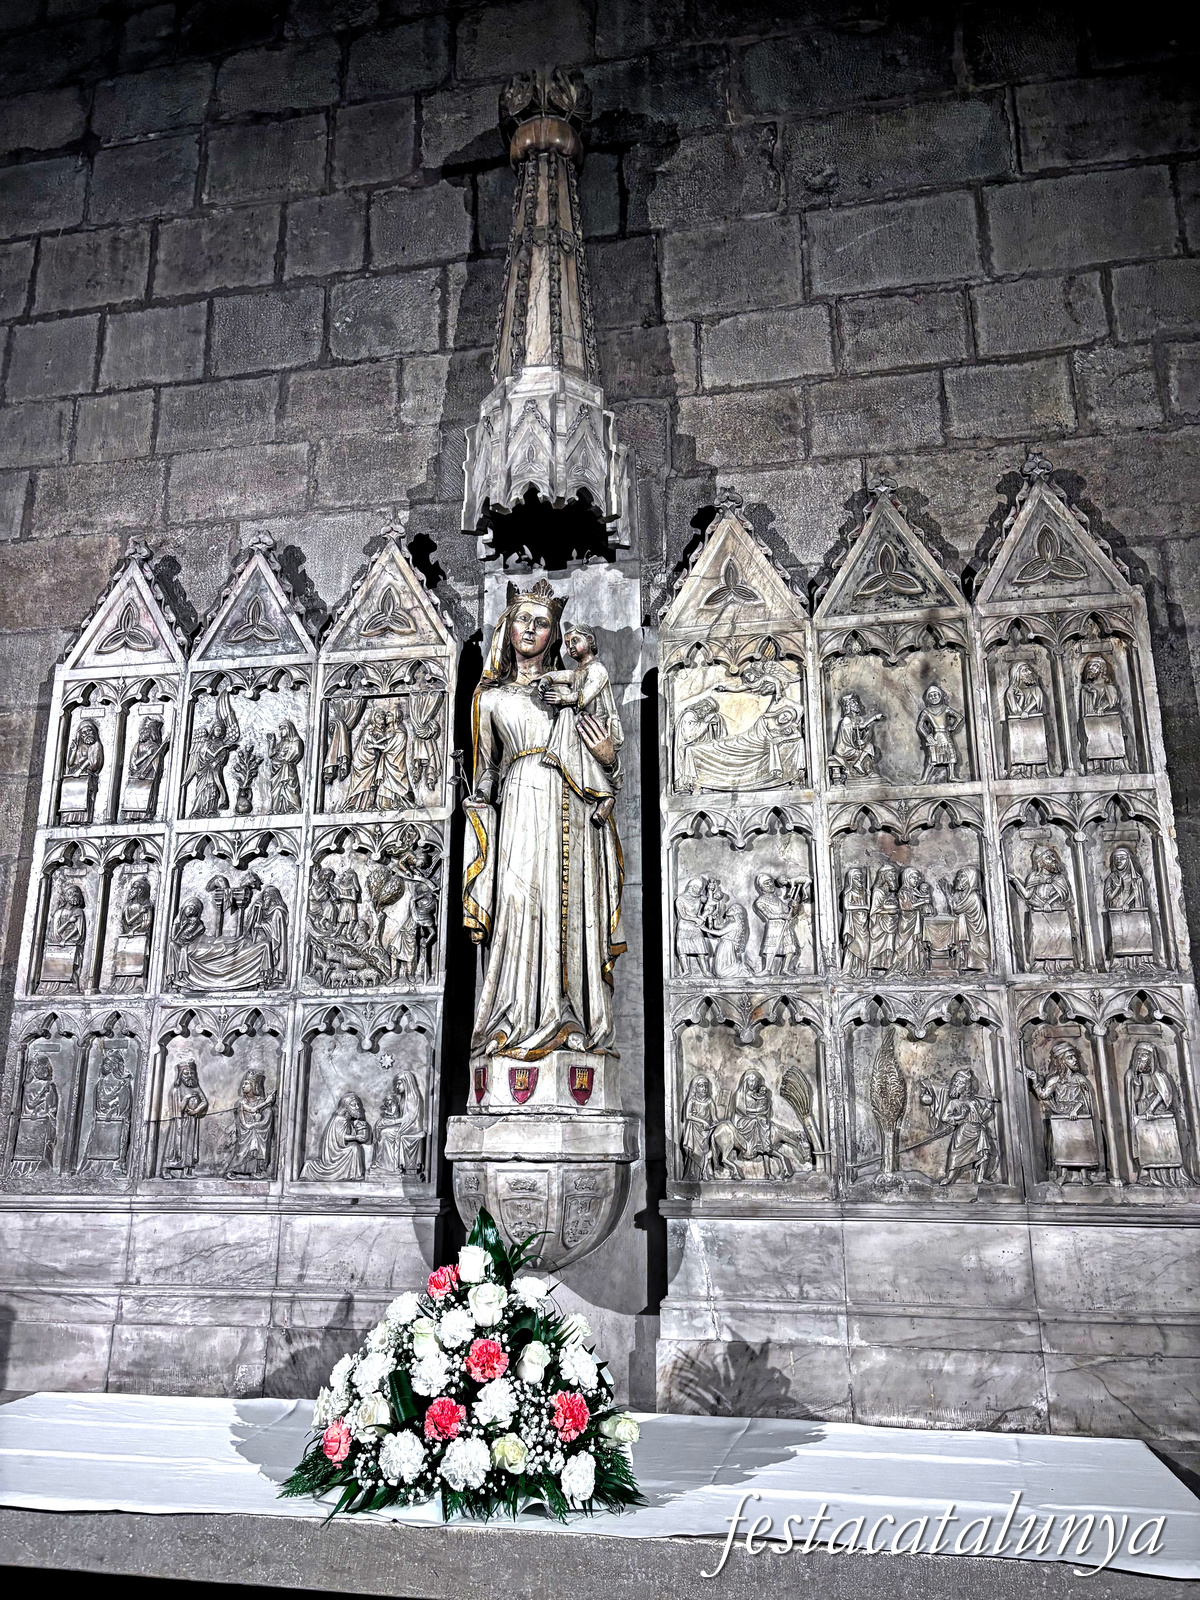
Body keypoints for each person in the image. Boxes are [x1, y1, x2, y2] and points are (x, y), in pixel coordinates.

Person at [463, 579, 624, 1064]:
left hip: (572, 807)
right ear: (507, 627)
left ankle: (569, 1017)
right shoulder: (488, 696)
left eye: (542, 622)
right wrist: (478, 812)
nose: (530, 629)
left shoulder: (573, 687)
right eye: (522, 620)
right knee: (517, 906)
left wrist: (607, 754)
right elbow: (485, 771)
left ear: (554, 634)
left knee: (573, 909)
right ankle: (509, 1020)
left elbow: (609, 748)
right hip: (516, 812)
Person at [538, 622, 623, 826]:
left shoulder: (598, 669)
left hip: (599, 725)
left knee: (567, 712)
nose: (571, 647)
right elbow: (559, 675)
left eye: (575, 641)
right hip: (584, 723)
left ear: (590, 641)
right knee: (581, 751)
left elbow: (585, 696)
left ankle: (606, 796)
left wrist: (561, 699)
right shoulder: (578, 672)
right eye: (567, 644)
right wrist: (545, 680)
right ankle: (603, 795)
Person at [919, 1068, 999, 1185]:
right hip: (963, 1132)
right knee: (956, 1156)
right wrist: (960, 1117)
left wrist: (988, 1106)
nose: (964, 1087)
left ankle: (980, 1177)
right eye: (960, 1084)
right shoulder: (954, 1103)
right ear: (956, 1087)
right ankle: (950, 1177)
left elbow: (982, 1118)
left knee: (984, 1154)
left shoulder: (974, 1102)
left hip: (978, 1131)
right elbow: (945, 1118)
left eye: (965, 1085)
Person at [185, 692, 240, 817]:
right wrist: (208, 759)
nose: (219, 731)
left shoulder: (222, 743)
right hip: (205, 770)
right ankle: (198, 811)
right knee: (203, 789)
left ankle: (211, 810)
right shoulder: (206, 741)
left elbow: (223, 756)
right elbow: (201, 754)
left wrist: (220, 758)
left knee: (213, 790)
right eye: (217, 729)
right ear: (213, 730)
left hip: (215, 770)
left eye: (221, 730)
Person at [80, 1049, 133, 1175]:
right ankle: (94, 1167)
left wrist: (114, 1111)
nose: (103, 1067)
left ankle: (115, 1166)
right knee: (98, 1143)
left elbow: (124, 1105)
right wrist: (101, 1113)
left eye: (106, 1064)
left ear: (113, 1066)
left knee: (114, 1143)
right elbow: (96, 1103)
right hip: (101, 1119)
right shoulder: (101, 1083)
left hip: (116, 1121)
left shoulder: (122, 1084)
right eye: (103, 1064)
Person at [304, 1092, 372, 1181]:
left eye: (358, 1105)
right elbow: (341, 1137)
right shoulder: (341, 1119)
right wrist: (355, 1137)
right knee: (354, 1148)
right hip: (334, 1154)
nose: (357, 1107)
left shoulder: (347, 1120)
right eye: (353, 1105)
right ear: (346, 1107)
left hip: (339, 1151)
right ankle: (354, 1175)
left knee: (355, 1147)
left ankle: (353, 1175)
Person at [224, 1070, 276, 1180]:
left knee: (255, 1150)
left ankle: (257, 1171)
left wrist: (257, 1123)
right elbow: (244, 1118)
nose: (243, 1086)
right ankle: (232, 1170)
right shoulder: (242, 1103)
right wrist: (248, 1126)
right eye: (243, 1083)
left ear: (254, 1086)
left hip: (256, 1133)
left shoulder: (260, 1101)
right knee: (242, 1152)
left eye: (246, 1083)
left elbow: (267, 1115)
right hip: (245, 1132)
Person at [11, 1056, 59, 1174]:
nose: (43, 1070)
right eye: (37, 1067)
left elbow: (52, 1106)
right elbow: (26, 1104)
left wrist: (44, 1104)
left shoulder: (49, 1086)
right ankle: (22, 1169)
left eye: (44, 1067)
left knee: (44, 1147)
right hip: (28, 1122)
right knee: (25, 1149)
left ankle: (40, 1169)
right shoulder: (28, 1086)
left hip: (42, 1120)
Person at [161, 1059, 208, 1177]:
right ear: (180, 1075)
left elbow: (204, 1101)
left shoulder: (195, 1087)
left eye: (192, 1073)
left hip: (192, 1121)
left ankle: (187, 1171)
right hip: (179, 1123)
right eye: (186, 1073)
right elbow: (179, 1109)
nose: (189, 1076)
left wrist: (196, 1111)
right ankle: (166, 1170)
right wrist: (186, 1099)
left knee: (189, 1145)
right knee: (176, 1145)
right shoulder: (176, 1090)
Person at [1003, 660, 1049, 776]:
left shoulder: (1036, 689)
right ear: (1017, 674)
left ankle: (1035, 772)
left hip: (1035, 723)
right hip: (1019, 727)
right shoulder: (1011, 691)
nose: (1028, 672)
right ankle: (1022, 770)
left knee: (1036, 748)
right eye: (1024, 671)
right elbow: (1014, 710)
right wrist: (1022, 699)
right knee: (1022, 748)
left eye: (1029, 669)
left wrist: (1027, 711)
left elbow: (1037, 702)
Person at [943, 866, 990, 971]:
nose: (958, 880)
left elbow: (956, 909)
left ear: (971, 879)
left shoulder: (973, 896)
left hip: (975, 930)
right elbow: (953, 910)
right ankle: (966, 965)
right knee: (967, 946)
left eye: (962, 877)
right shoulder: (964, 894)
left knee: (978, 947)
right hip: (968, 928)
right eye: (958, 877)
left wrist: (947, 894)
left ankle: (983, 966)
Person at [830, 692, 884, 781]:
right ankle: (863, 768)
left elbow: (860, 728)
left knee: (867, 748)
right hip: (844, 750)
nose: (857, 705)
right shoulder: (846, 720)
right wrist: (874, 718)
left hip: (851, 747)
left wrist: (873, 720)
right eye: (854, 703)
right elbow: (849, 737)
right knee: (867, 748)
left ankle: (865, 768)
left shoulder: (852, 719)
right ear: (850, 707)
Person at [675, 697, 725, 792]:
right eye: (706, 707)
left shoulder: (700, 717)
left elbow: (706, 735)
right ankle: (693, 783)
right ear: (700, 705)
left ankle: (706, 782)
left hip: (696, 746)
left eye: (709, 710)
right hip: (684, 748)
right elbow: (688, 736)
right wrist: (706, 722)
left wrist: (714, 723)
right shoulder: (689, 715)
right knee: (693, 751)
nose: (706, 711)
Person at [60, 717, 104, 823]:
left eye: (89, 731)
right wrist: (73, 751)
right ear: (80, 735)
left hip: (87, 776)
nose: (87, 734)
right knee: (70, 796)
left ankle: (83, 819)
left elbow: (92, 762)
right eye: (84, 733)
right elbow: (70, 764)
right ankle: (69, 819)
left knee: (84, 797)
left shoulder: (96, 745)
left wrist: (80, 769)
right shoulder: (80, 747)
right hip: (74, 776)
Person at [916, 684, 962, 783]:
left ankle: (952, 775)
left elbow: (959, 717)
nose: (933, 697)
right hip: (935, 736)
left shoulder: (945, 708)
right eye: (931, 696)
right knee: (931, 758)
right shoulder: (926, 712)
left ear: (940, 696)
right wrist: (927, 736)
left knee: (950, 756)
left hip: (945, 735)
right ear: (928, 698)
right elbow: (920, 726)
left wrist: (953, 727)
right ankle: (924, 779)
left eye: (935, 695)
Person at [894, 867, 933, 975]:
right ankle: (904, 969)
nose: (916, 880)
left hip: (916, 922)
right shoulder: (903, 891)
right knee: (906, 946)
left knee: (916, 945)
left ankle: (915, 969)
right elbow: (907, 907)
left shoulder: (914, 891)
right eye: (913, 878)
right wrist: (923, 901)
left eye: (917, 878)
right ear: (906, 878)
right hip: (906, 924)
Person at [679, 1074, 718, 1179]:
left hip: (705, 1133)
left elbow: (714, 1119)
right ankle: (692, 1174)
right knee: (693, 1153)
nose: (704, 1088)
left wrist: (714, 1126)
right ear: (695, 1088)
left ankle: (707, 1173)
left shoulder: (710, 1101)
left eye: (706, 1086)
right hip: (694, 1131)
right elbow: (688, 1115)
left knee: (706, 1152)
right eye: (701, 1086)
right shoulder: (692, 1100)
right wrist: (702, 1121)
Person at [674, 878, 712, 976]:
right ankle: (686, 970)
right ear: (691, 887)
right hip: (684, 927)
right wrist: (696, 919)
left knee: (701, 949)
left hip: (696, 927)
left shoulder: (699, 897)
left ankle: (705, 971)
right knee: (682, 950)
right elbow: (683, 915)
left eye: (700, 888)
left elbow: (709, 902)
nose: (699, 890)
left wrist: (710, 891)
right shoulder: (680, 899)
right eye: (697, 888)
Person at [867, 863, 900, 972]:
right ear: (883, 877)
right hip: (880, 925)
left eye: (894, 876)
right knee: (882, 946)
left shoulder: (887, 892)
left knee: (890, 944)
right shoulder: (878, 891)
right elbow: (874, 910)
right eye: (890, 876)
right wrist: (888, 910)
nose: (893, 879)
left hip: (890, 923)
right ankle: (878, 965)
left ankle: (887, 964)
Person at [266, 720, 304, 813]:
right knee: (276, 790)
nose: (280, 732)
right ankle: (276, 809)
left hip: (287, 769)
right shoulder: (281, 743)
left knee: (289, 788)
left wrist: (282, 760)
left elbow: (293, 755)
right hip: (277, 771)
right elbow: (271, 755)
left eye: (283, 729)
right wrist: (271, 743)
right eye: (280, 729)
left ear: (289, 729)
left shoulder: (296, 741)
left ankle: (292, 808)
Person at [841, 866, 871, 975]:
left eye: (861, 878)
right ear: (851, 880)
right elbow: (847, 906)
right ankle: (848, 970)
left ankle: (862, 972)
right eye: (856, 878)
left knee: (865, 946)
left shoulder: (864, 892)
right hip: (853, 924)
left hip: (863, 923)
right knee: (852, 944)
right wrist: (864, 906)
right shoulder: (849, 892)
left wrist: (868, 897)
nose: (860, 880)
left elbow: (869, 908)